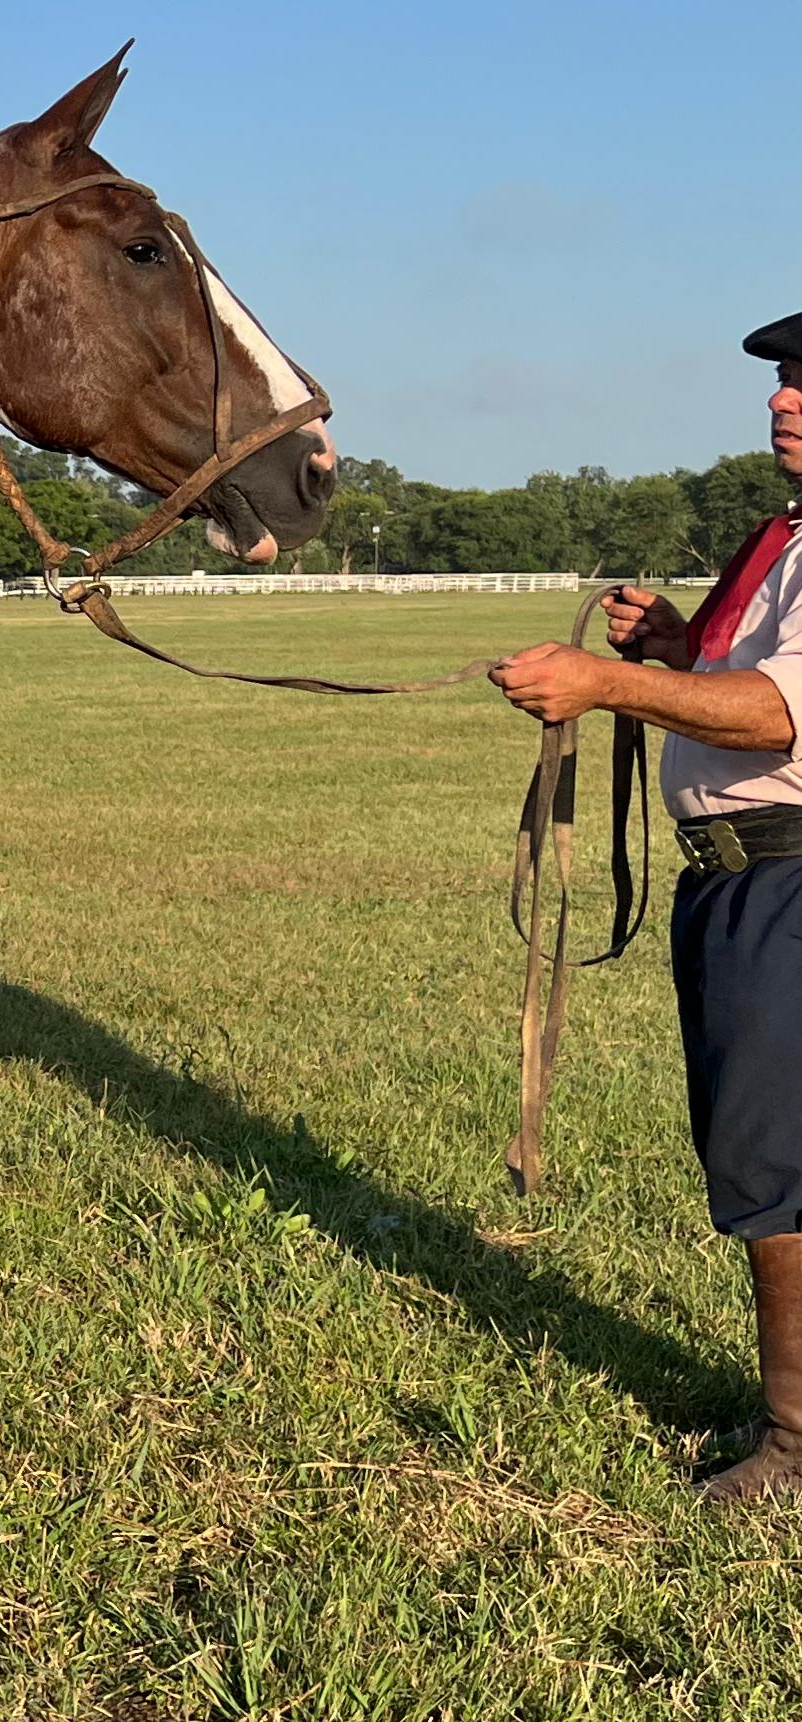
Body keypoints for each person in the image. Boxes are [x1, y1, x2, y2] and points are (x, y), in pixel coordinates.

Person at [489, 312, 802, 1500]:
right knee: (760, 1148)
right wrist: (673, 651)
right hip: (741, 879)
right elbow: (746, 685)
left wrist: (603, 681)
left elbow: (780, 717)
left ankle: (792, 1445)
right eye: (780, 384)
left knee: (777, 1161)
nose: (779, 402)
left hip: (786, 878)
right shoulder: (777, 540)